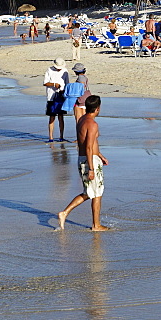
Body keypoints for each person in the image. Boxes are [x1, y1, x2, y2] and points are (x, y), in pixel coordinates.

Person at [57, 95, 108, 231]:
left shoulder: (82, 120)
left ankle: (64, 213)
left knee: (89, 192)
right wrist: (91, 168)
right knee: (96, 193)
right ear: (98, 108)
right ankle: (96, 225)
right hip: (89, 160)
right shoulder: (92, 124)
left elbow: (87, 143)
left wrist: (100, 155)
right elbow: (89, 147)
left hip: (85, 158)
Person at [43, 58, 69, 143]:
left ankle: (61, 136)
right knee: (52, 117)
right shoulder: (49, 70)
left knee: (61, 117)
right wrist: (54, 84)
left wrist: (64, 92)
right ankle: (51, 137)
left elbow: (67, 84)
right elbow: (45, 82)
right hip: (51, 96)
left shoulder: (65, 71)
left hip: (61, 96)